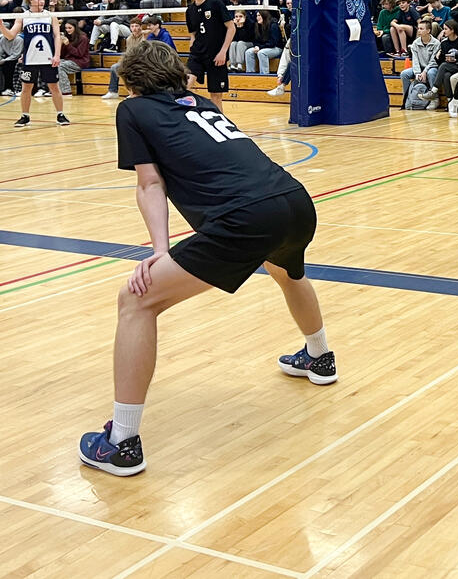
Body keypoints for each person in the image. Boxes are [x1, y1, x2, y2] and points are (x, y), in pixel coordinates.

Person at [77, 41, 336, 476]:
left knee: (137, 301)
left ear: (136, 81)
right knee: (285, 271)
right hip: (294, 200)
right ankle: (319, 356)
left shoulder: (134, 110)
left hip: (247, 217)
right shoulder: (197, 102)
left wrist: (159, 252)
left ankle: (121, 442)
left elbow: (149, 184)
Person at [4, 0, 69, 127]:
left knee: (54, 87)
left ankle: (60, 114)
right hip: (30, 59)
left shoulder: (50, 16)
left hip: (48, 58)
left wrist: (57, 55)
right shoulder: (23, 16)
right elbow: (10, 36)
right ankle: (25, 116)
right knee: (26, 88)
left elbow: (57, 36)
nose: (42, 1)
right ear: (30, 0)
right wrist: (1, 27)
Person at [183, 0, 235, 111]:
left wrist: (223, 52)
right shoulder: (190, 10)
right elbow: (193, 33)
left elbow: (231, 27)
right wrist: (192, 44)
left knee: (216, 95)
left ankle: (220, 125)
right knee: (185, 85)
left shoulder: (215, 3)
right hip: (198, 53)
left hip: (216, 54)